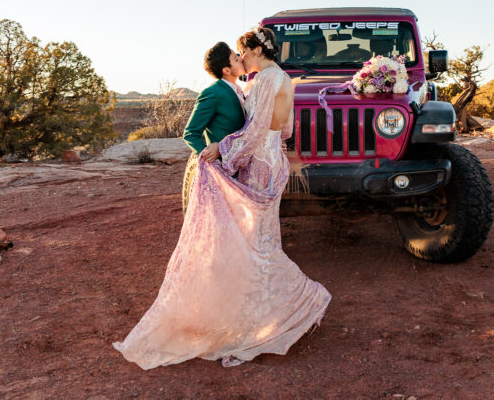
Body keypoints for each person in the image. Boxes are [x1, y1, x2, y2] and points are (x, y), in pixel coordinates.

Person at [113, 26, 331, 370]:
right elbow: (284, 130)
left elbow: (256, 129)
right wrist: (266, 148)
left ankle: (297, 304)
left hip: (259, 162)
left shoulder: (265, 80)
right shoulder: (282, 78)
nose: (240, 57)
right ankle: (261, 314)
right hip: (273, 158)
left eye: (242, 52)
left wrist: (224, 152)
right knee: (259, 240)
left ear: (255, 50)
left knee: (253, 245)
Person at [180, 42, 246, 209]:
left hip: (241, 167)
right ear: (227, 70)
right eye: (235, 58)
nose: (241, 59)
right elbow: (190, 132)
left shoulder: (238, 90)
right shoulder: (213, 93)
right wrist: (210, 161)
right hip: (224, 171)